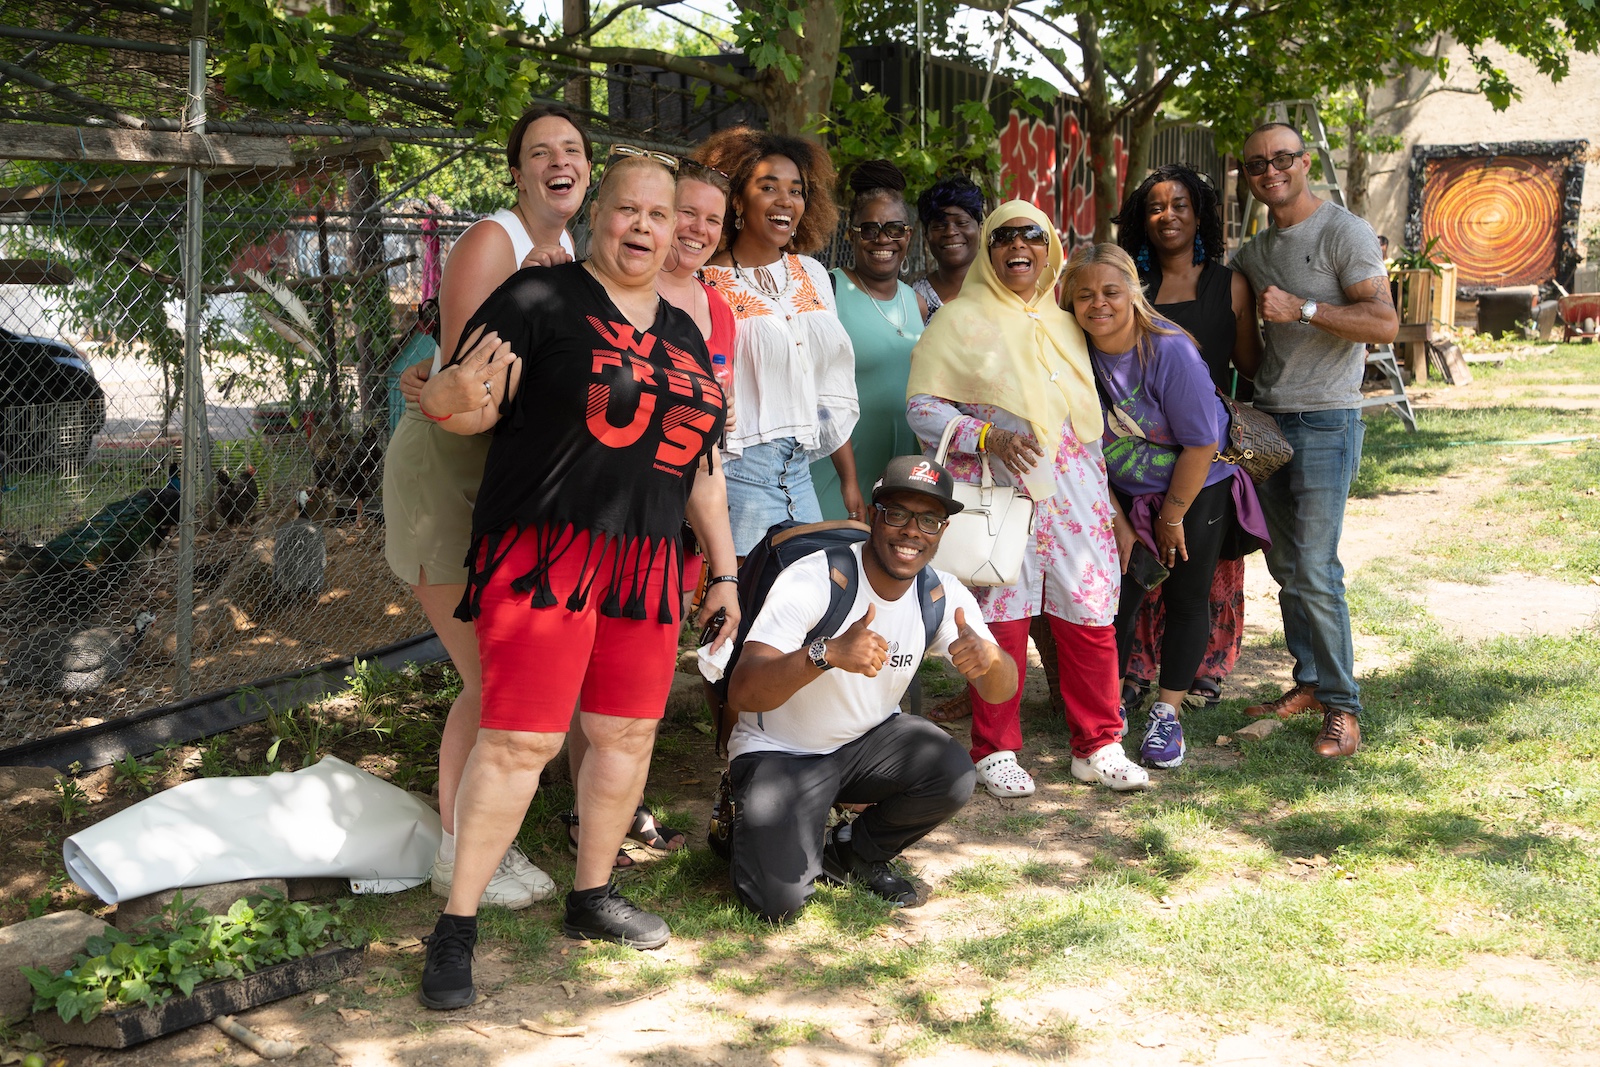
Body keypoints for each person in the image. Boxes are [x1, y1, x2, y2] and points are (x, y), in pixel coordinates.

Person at [413, 154, 738, 1009]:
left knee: (626, 737)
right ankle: (457, 923)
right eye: (627, 208)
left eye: (658, 215)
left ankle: (592, 894)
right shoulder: (538, 298)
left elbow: (700, 467)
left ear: (676, 231)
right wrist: (449, 395)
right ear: (598, 213)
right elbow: (475, 404)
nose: (642, 226)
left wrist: (728, 569)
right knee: (520, 741)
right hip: (547, 556)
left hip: (649, 564)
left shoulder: (685, 330)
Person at [383, 104, 591, 911]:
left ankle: (475, 839)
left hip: (508, 485)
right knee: (491, 675)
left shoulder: (571, 248)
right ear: (517, 172)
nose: (557, 161)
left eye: (571, 148)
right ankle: (463, 851)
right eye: (540, 151)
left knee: (502, 671)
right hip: (449, 474)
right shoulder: (492, 241)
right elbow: (474, 384)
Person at [907, 200, 1151, 797]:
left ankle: (1099, 745)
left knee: (1091, 615)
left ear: (1052, 249)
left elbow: (1088, 424)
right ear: (988, 250)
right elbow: (921, 406)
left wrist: (1115, 510)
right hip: (1000, 492)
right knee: (1000, 621)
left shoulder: (1069, 320)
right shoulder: (957, 320)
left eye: (1033, 236)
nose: (1019, 246)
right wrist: (985, 435)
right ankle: (995, 749)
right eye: (1004, 236)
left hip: (1077, 499)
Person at [725, 457, 1015, 921]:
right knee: (776, 906)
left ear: (942, 530)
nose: (912, 532)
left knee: (952, 770)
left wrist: (992, 659)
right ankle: (741, 813)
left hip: (866, 745)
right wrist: (826, 654)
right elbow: (744, 691)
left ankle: (854, 852)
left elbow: (1001, 691)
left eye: (929, 520)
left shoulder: (940, 594)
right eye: (898, 514)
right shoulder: (815, 577)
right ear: (874, 515)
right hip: (781, 751)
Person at [561, 153, 742, 866]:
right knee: (590, 673)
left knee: (638, 680)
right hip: (601, 519)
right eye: (684, 211)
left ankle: (617, 806)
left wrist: (716, 553)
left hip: (682, 514)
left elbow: (710, 432)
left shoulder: (715, 310)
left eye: (710, 219)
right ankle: (587, 814)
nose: (695, 229)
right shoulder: (602, 293)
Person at [1067, 244, 1271, 769]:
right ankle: (1109, 709)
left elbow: (1202, 442)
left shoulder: (1167, 350)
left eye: (1111, 291)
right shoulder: (1070, 351)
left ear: (1134, 293)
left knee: (1186, 595)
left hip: (1195, 486)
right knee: (1116, 600)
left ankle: (1167, 712)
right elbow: (1081, 452)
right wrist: (1117, 520)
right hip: (1122, 494)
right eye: (1084, 294)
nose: (1098, 304)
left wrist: (1171, 517)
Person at [1230, 121, 1397, 758]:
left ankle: (1344, 709)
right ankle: (1308, 682)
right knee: (1284, 565)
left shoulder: (1343, 232)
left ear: (1304, 162)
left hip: (1328, 418)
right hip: (1267, 422)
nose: (1270, 171)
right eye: (1255, 165)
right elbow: (1247, 347)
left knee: (1317, 568)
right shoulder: (1254, 251)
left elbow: (1383, 321)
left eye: (1282, 159)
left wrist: (1302, 309)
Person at [1112, 163, 1263, 711]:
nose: (1167, 215)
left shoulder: (1230, 284)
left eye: (1179, 205)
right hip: (1134, 450)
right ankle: (1135, 670)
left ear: (1199, 213)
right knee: (1139, 568)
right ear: (1141, 219)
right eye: (1155, 206)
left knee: (1199, 572)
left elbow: (1249, 364)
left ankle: (1202, 667)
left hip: (1205, 448)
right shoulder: (1130, 286)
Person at [696, 127, 862, 548]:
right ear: (737, 199)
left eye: (796, 190)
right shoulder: (704, 280)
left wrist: (849, 480)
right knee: (747, 608)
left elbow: (827, 388)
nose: (786, 201)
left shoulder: (814, 274)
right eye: (768, 187)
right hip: (737, 473)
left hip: (800, 472)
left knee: (812, 605)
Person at [811, 160, 927, 520]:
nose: (882, 240)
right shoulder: (827, 290)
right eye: (869, 229)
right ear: (851, 233)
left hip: (898, 478)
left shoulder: (916, 302)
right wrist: (847, 480)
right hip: (838, 477)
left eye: (894, 229)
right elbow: (814, 393)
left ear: (908, 235)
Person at [912, 175, 986, 323]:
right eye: (939, 225)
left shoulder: (1003, 290)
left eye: (962, 222)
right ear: (926, 234)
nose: (950, 232)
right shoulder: (913, 301)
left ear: (980, 229)